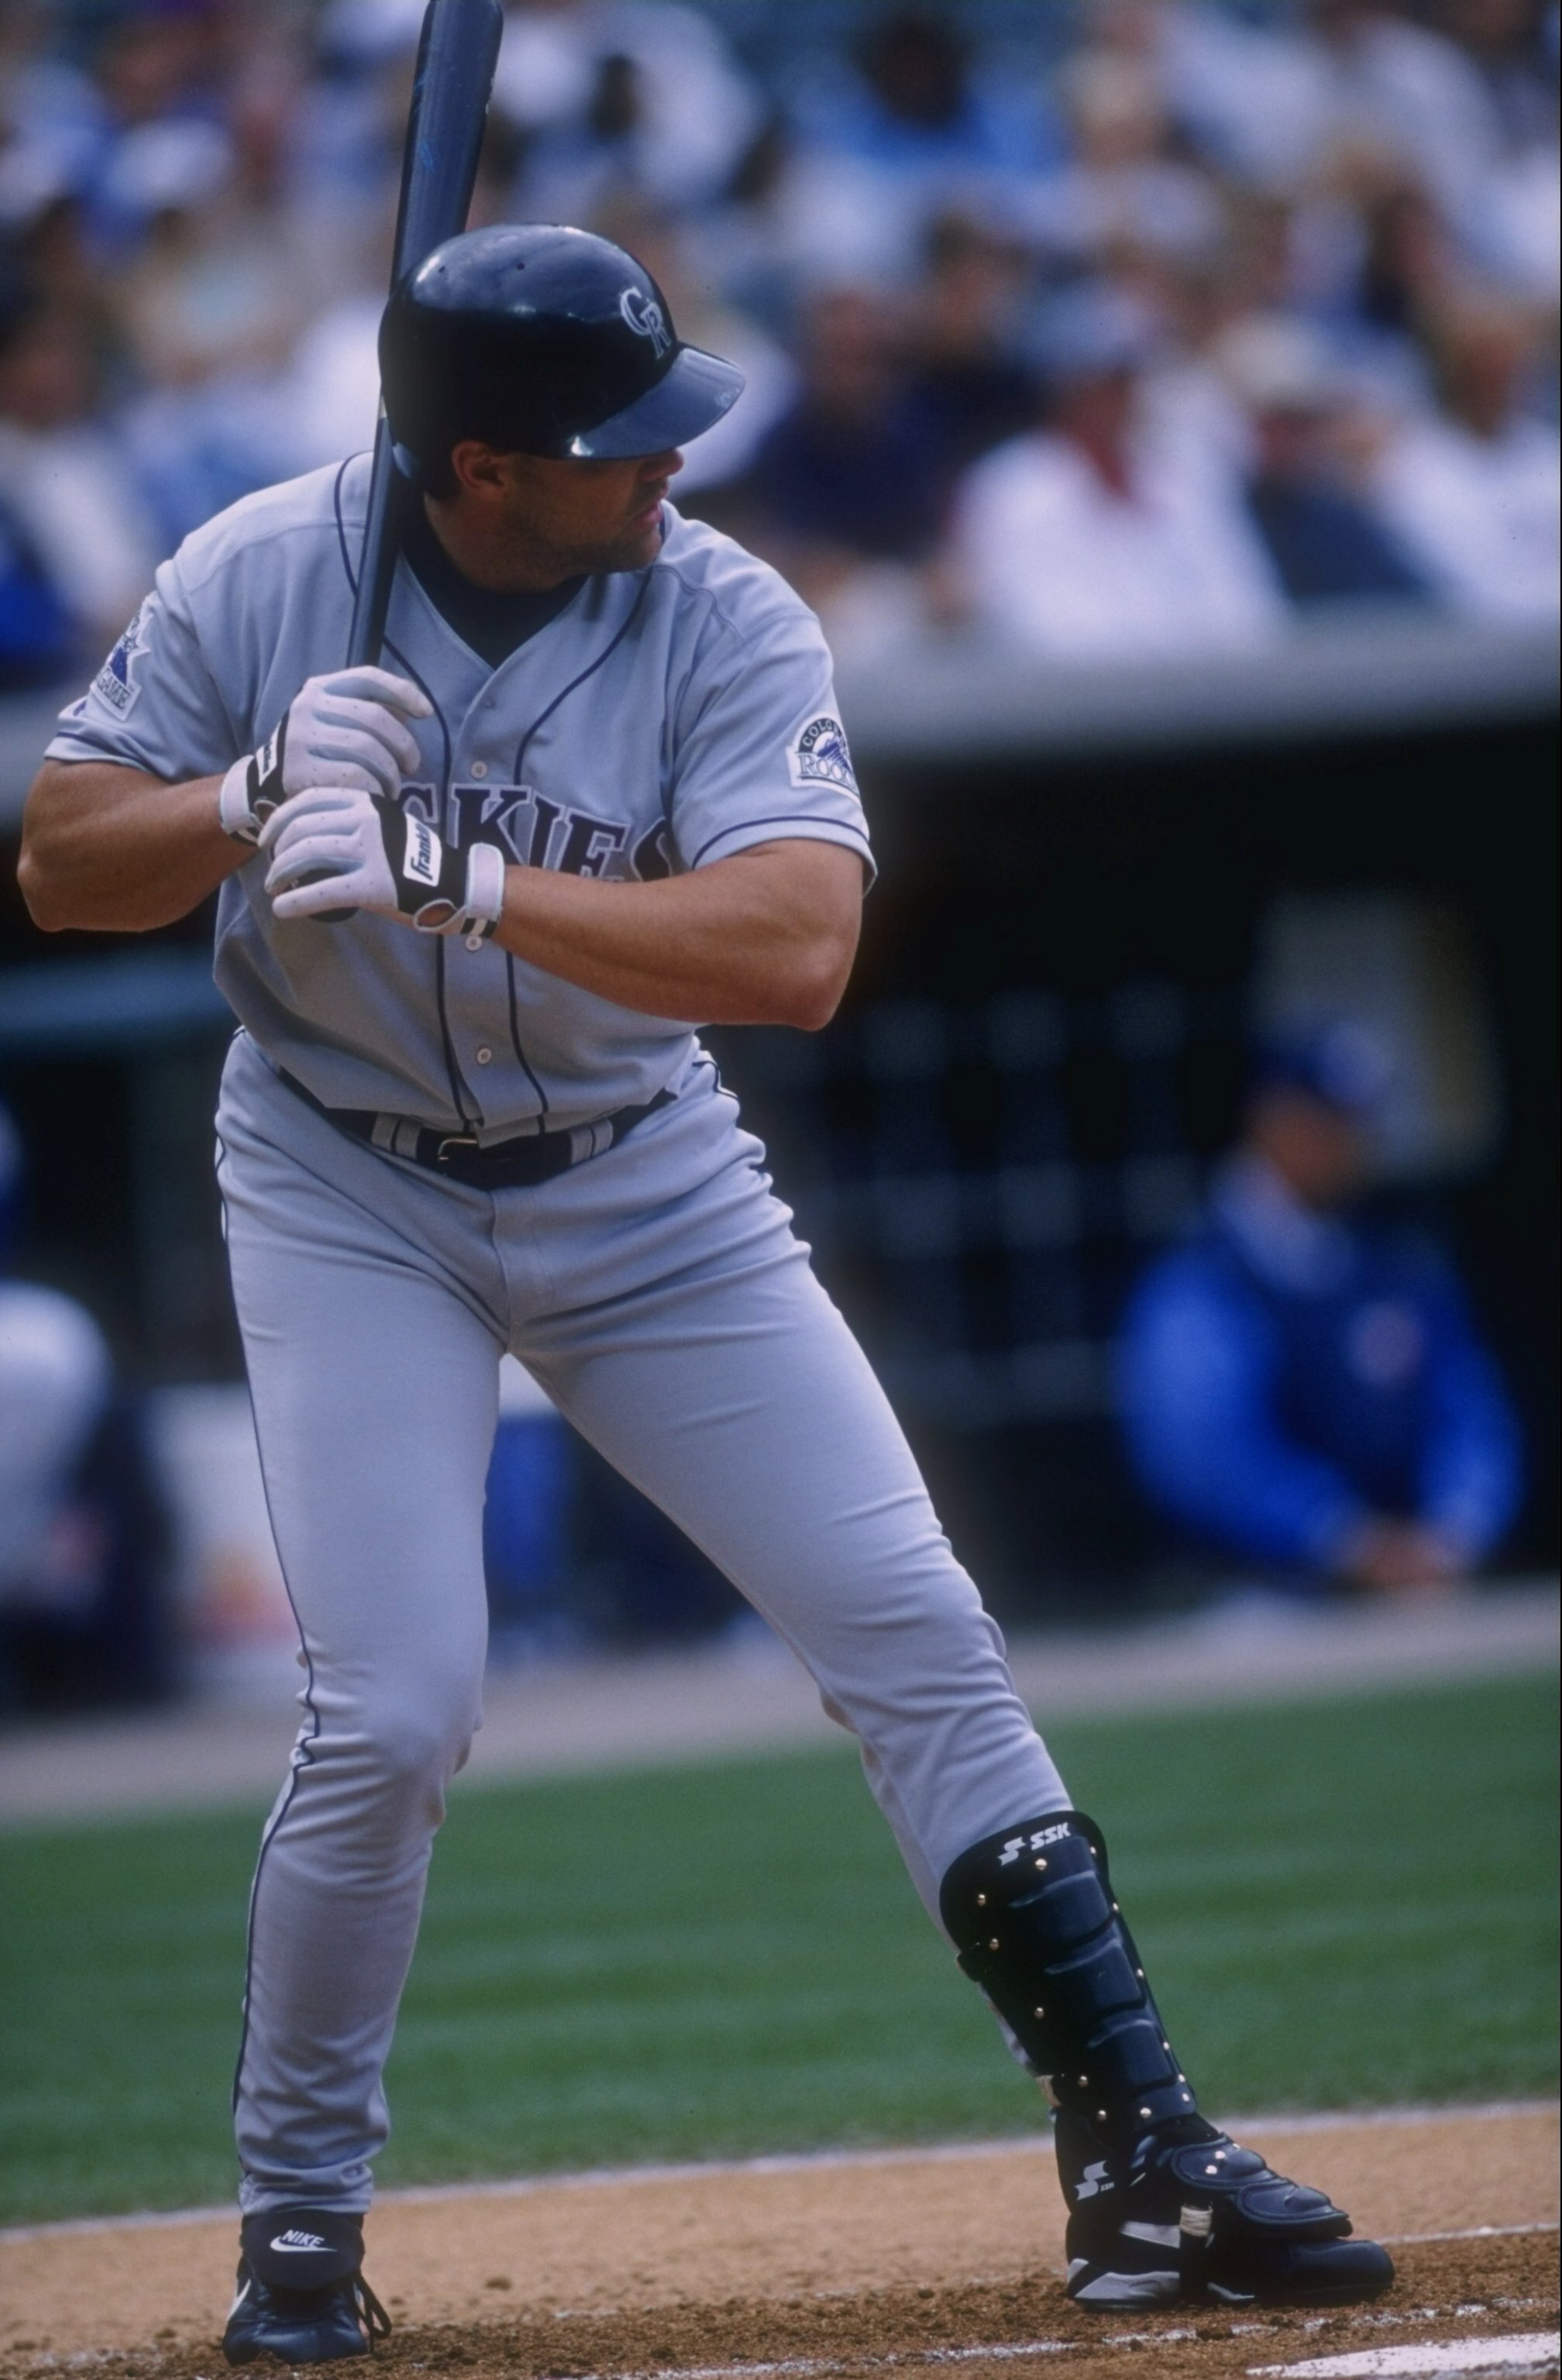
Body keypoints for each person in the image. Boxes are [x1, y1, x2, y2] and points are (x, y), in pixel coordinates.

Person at [20, 222, 1392, 2365]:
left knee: (917, 1628)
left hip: (645, 1174)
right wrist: (250, 794)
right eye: (616, 442)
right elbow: (60, 857)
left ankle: (1142, 2152)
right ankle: (298, 2226)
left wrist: (463, 878)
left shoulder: (726, 608)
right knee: (388, 1714)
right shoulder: (263, 571)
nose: (672, 468)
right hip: (339, 1172)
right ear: (479, 466)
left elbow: (796, 952)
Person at [1118, 1025, 1522, 1592]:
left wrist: (1455, 1530)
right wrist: (1340, 1536)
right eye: (1328, 1123)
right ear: (1271, 1124)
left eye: (1357, 1125)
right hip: (1256, 1596)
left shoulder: (1401, 1262)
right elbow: (1198, 1453)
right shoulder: (1206, 1274)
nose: (1353, 1144)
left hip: (1422, 1585)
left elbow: (1469, 1413)